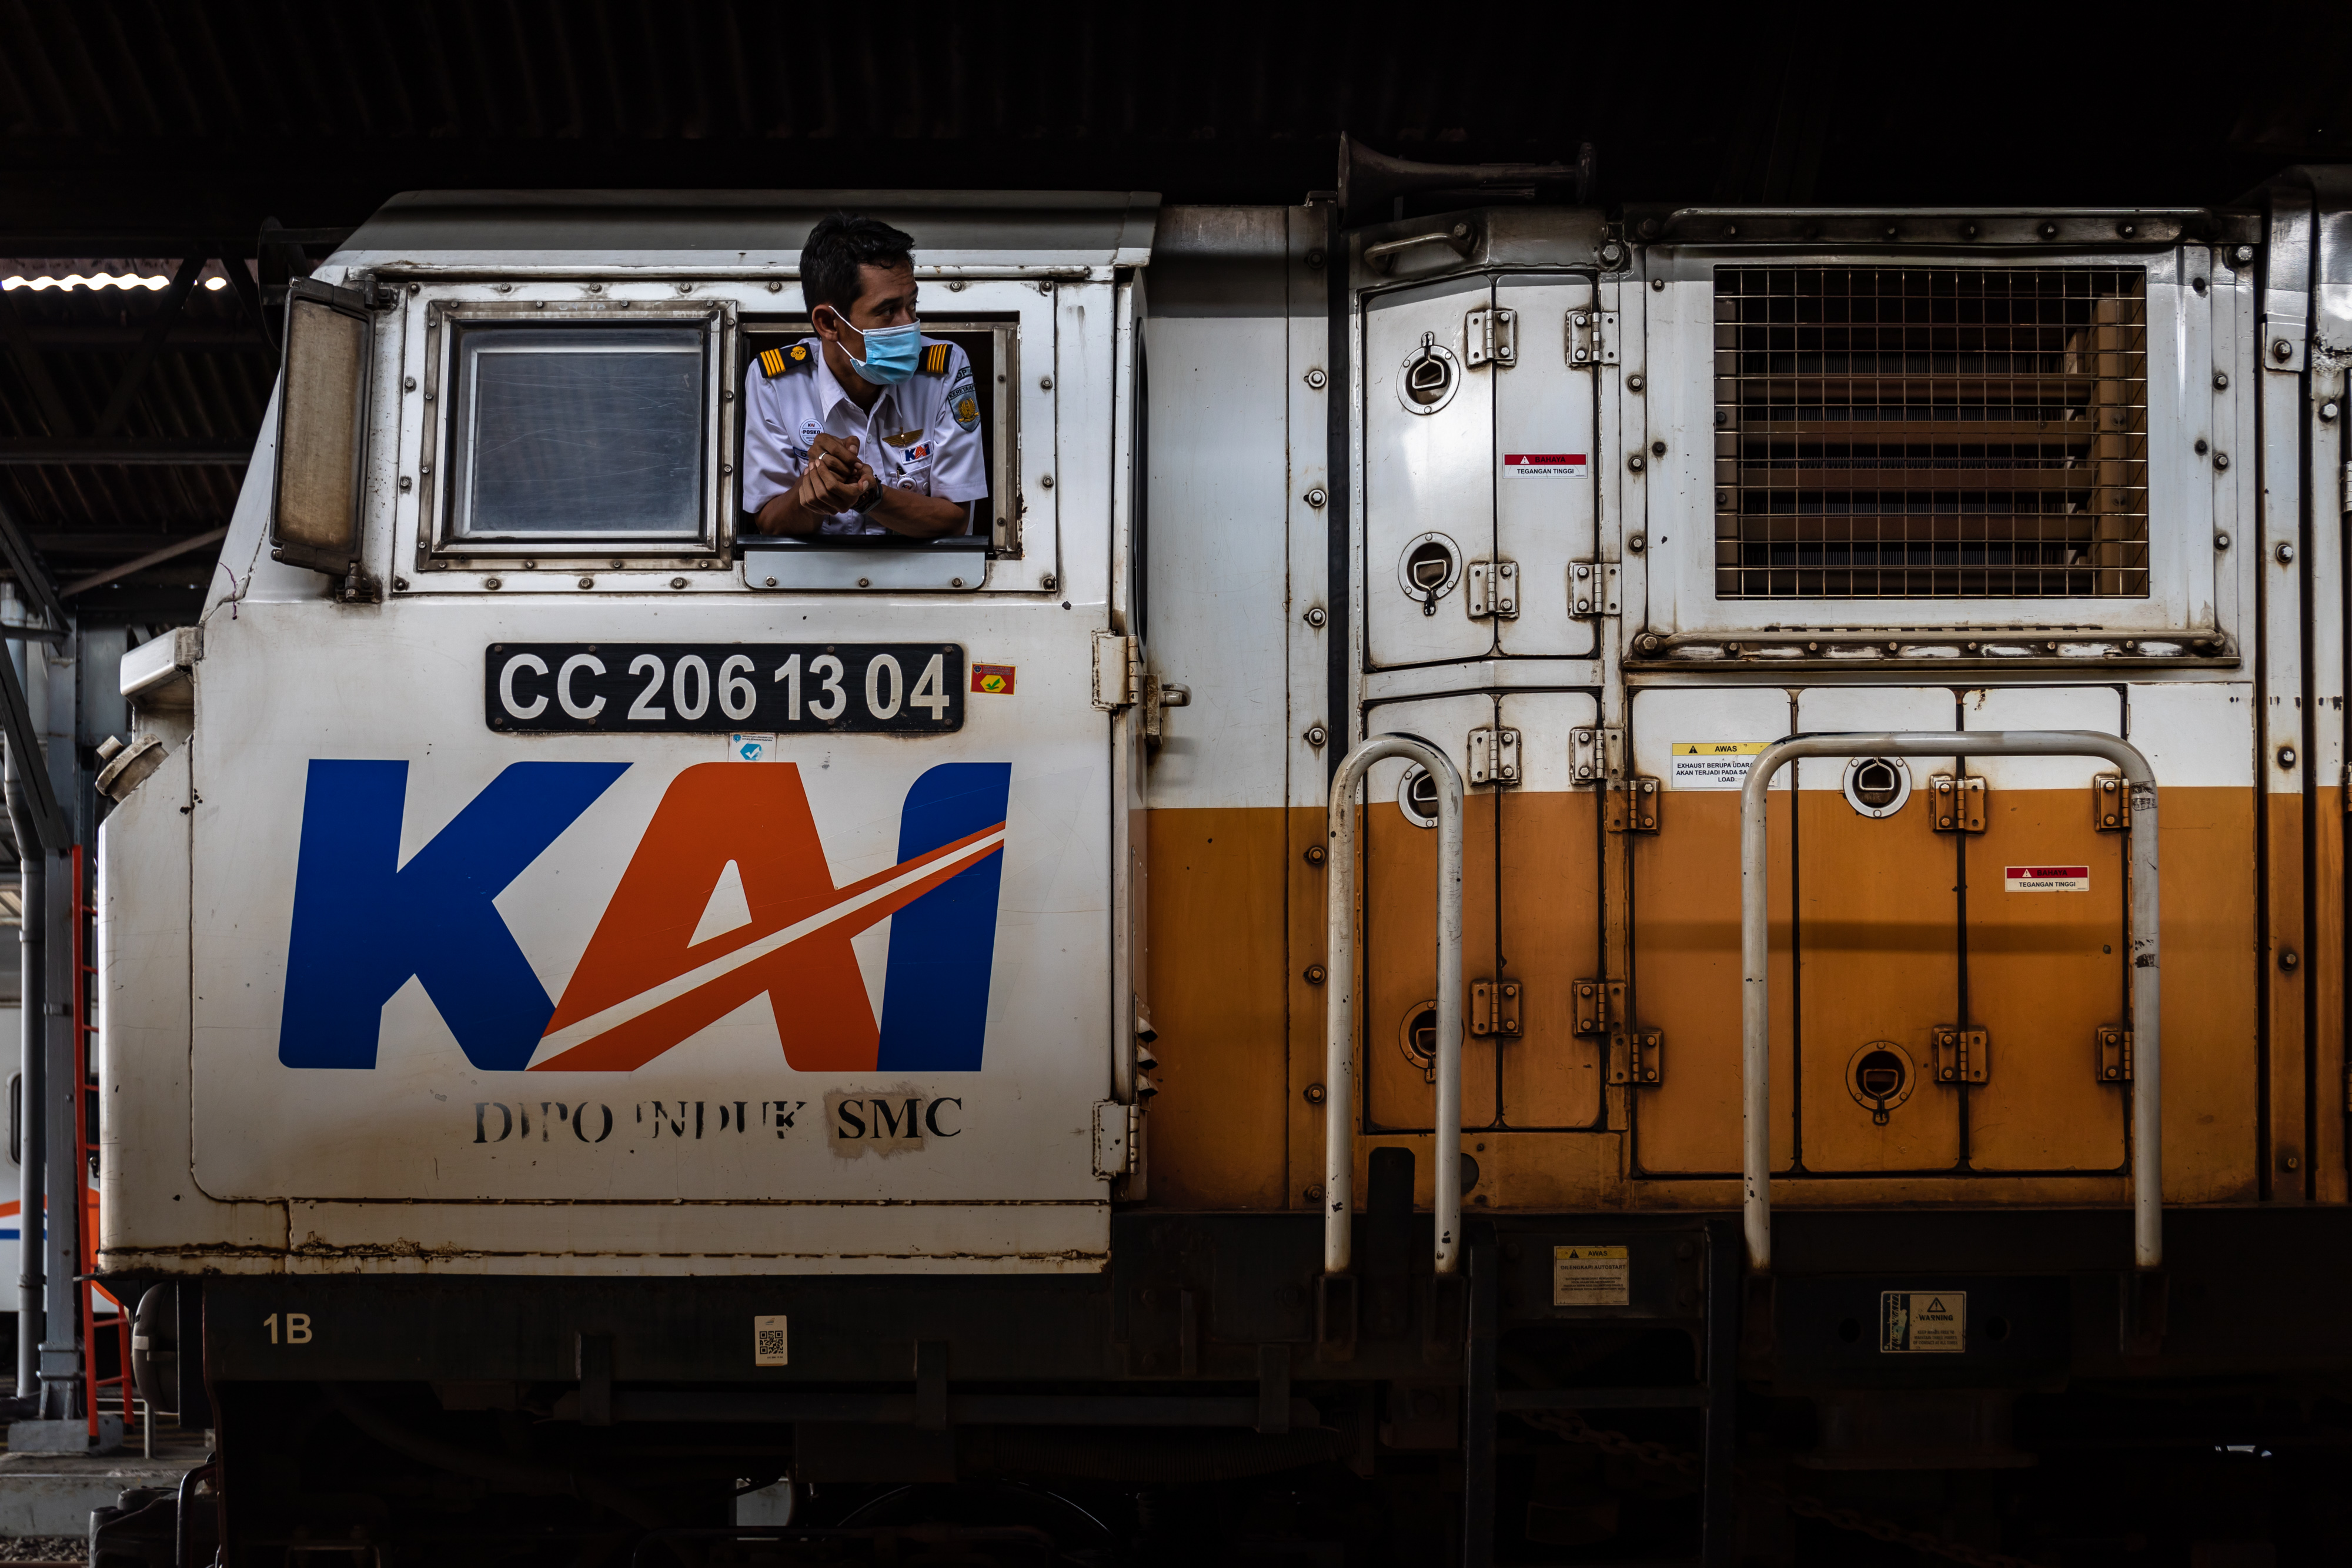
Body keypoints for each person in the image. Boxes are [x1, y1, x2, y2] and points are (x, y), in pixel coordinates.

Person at [742, 213, 986, 538]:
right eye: (888, 312)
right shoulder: (776, 382)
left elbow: (956, 520)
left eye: (911, 306)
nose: (909, 325)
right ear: (829, 324)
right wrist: (815, 487)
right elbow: (769, 524)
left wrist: (871, 496)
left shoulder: (945, 370)